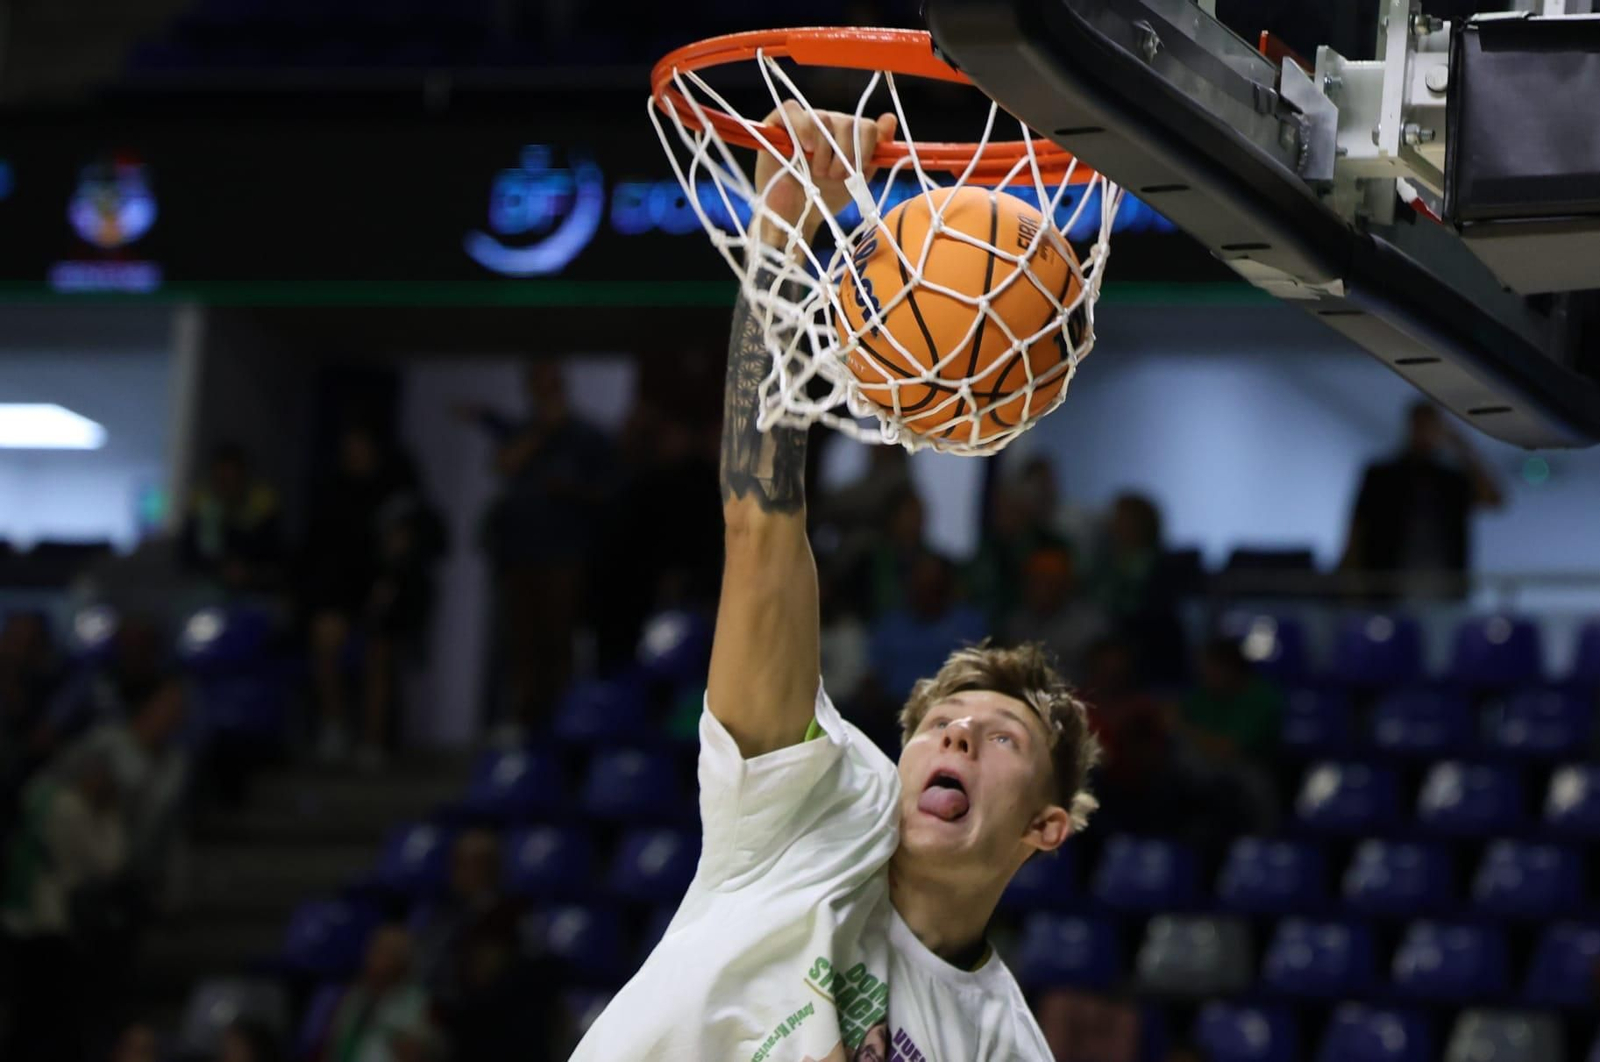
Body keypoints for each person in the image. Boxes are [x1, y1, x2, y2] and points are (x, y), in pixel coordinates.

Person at [571, 102, 1099, 1060]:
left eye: (1001, 738)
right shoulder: (818, 804)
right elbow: (760, 529)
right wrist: (782, 233)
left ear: (1046, 827)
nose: (958, 734)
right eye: (942, 725)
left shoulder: (1004, 1046)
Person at [458, 362, 615, 736]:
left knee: (559, 641)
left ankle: (564, 723)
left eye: (552, 386)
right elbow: (505, 465)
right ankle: (523, 722)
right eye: (539, 387)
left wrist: (571, 490)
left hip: (565, 556)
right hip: (519, 554)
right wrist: (540, 431)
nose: (547, 395)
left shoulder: (586, 435)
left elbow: (608, 490)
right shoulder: (522, 431)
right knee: (520, 643)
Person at [1342, 400, 1506, 595]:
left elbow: (1494, 499)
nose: (1424, 431)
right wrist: (1352, 576)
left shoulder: (1451, 481)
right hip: (1388, 581)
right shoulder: (1383, 476)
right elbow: (1359, 525)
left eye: (1430, 425)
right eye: (1420, 424)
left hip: (1443, 585)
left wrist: (1462, 447)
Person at [316, 925, 433, 1062]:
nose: (373, 957)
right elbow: (334, 1042)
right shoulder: (355, 993)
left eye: (385, 953)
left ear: (402, 963)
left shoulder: (415, 1005)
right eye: (374, 949)